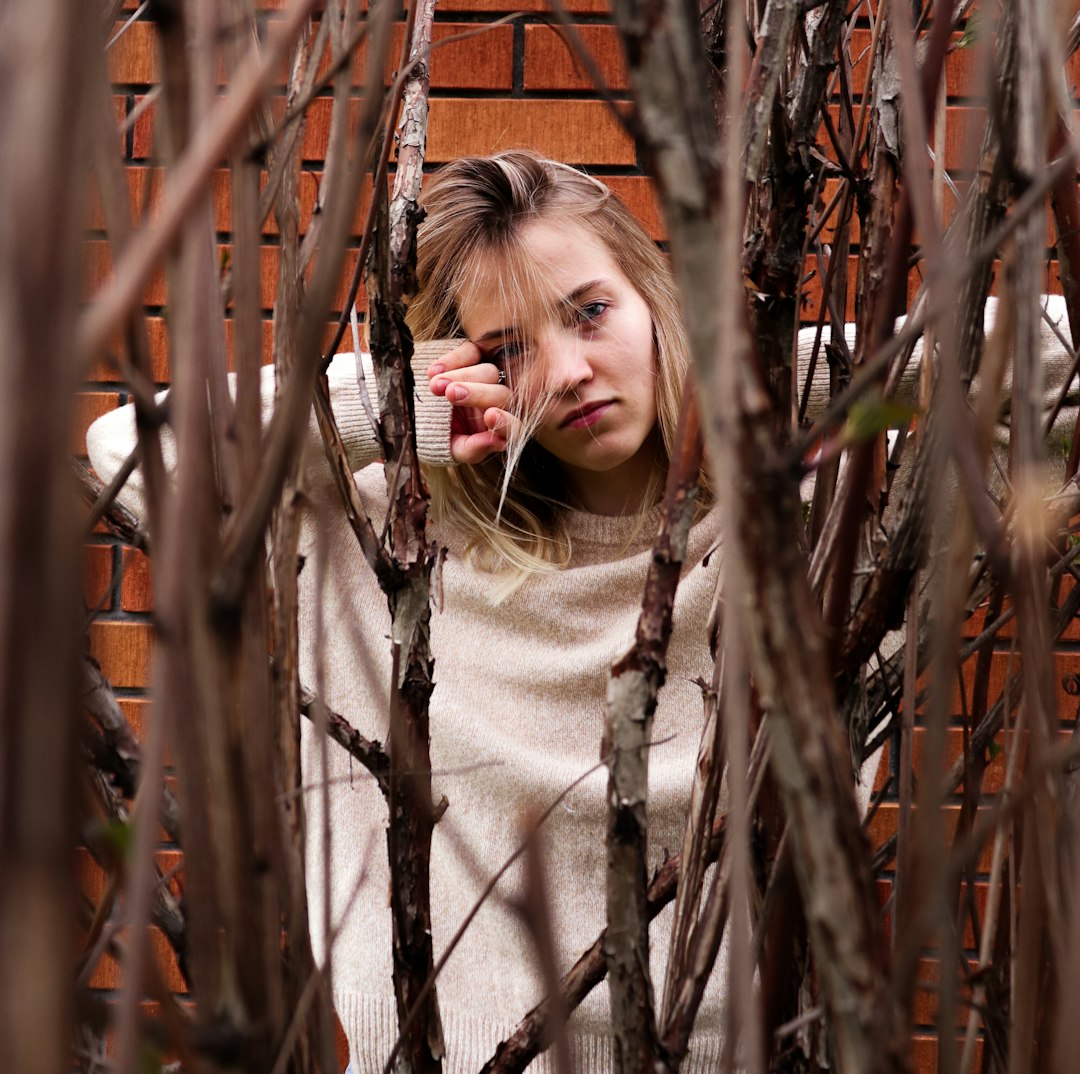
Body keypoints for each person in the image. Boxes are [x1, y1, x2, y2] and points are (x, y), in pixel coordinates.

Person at [86, 151, 1078, 1074]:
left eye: (591, 312)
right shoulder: (375, 533)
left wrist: (776, 368)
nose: (564, 373)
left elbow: (1058, 357)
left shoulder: (819, 515)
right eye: (505, 348)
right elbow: (129, 454)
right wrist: (403, 403)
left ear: (656, 297)